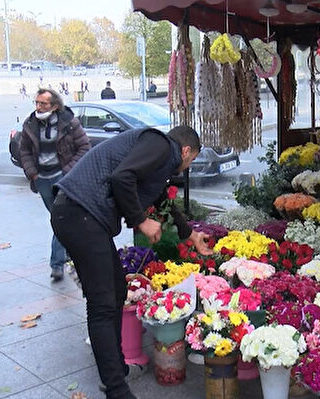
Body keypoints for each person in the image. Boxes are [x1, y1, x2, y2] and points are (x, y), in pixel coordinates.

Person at [50, 125, 212, 399]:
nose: (186, 167)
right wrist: (139, 220)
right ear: (186, 150)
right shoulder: (161, 145)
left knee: (117, 292)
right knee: (102, 304)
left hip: (82, 216)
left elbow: (163, 200)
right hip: (79, 214)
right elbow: (121, 177)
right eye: (192, 160)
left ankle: (116, 371)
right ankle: (117, 390)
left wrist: (192, 235)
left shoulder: (158, 159)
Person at [19, 89, 91, 281]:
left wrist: (67, 171)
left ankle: (57, 264)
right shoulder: (30, 124)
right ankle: (68, 256)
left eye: (43, 104)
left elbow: (84, 147)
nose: (39, 107)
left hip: (62, 179)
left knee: (60, 219)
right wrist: (32, 172)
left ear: (55, 106)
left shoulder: (69, 123)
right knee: (60, 219)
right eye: (37, 103)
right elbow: (24, 149)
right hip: (41, 179)